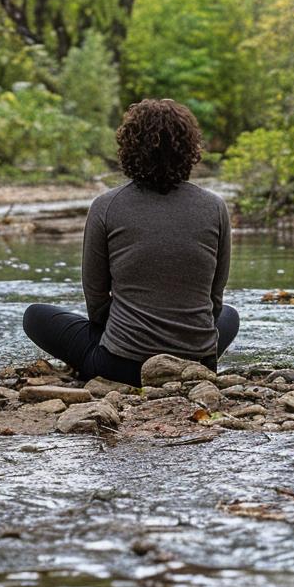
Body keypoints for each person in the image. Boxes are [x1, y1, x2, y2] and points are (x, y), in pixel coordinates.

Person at [23, 98, 238, 386]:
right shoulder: (215, 207)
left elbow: (96, 299)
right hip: (197, 361)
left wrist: (128, 331)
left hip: (122, 366)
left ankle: (104, 362)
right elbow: (215, 298)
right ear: (190, 150)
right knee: (230, 317)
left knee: (34, 316)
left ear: (129, 149)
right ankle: (184, 362)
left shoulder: (106, 206)